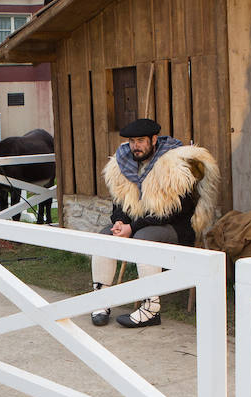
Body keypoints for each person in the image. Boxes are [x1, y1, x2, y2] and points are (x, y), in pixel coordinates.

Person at [89, 118, 219, 328]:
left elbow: (172, 211)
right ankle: (101, 300)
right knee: (105, 237)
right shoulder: (124, 163)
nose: (135, 146)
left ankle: (151, 308)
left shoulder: (175, 165)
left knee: (143, 239)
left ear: (154, 139)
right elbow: (120, 202)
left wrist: (133, 227)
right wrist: (120, 222)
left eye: (141, 140)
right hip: (138, 225)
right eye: (132, 141)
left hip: (175, 227)